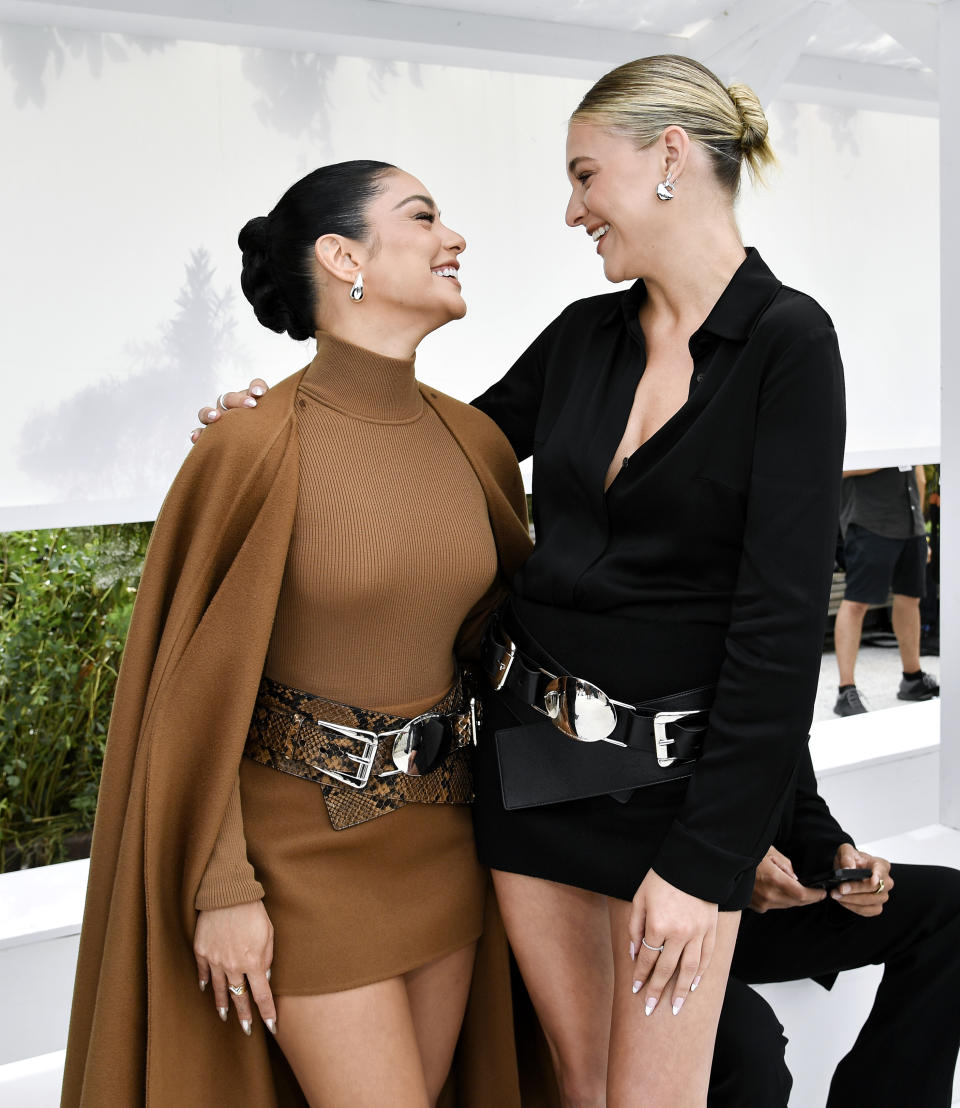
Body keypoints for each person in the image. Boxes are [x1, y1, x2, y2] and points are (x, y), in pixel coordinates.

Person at [196, 55, 846, 1106]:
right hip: (528, 772)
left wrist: (708, 857)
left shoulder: (789, 344)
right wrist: (273, 422)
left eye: (587, 176)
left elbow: (778, 630)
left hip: (677, 804)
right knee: (581, 1087)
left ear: (669, 157)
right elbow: (432, 455)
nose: (571, 208)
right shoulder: (587, 338)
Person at [62, 161, 535, 1107]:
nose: (456, 237)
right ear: (342, 254)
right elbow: (184, 693)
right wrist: (221, 881)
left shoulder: (475, 442)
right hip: (299, 864)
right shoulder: (251, 444)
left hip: (444, 848)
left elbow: (502, 644)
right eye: (424, 215)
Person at [709, 745, 960, 1107]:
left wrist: (841, 857)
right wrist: (732, 868)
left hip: (759, 906)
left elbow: (797, 797)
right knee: (752, 1050)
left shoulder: (780, 689)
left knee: (948, 909)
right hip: (655, 918)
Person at [833, 464, 939, 716]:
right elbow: (840, 466)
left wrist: (919, 529)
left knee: (910, 598)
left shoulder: (907, 429)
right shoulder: (867, 430)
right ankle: (845, 690)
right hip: (869, 522)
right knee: (857, 602)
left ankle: (912, 677)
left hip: (909, 522)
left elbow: (919, 472)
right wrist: (892, 456)